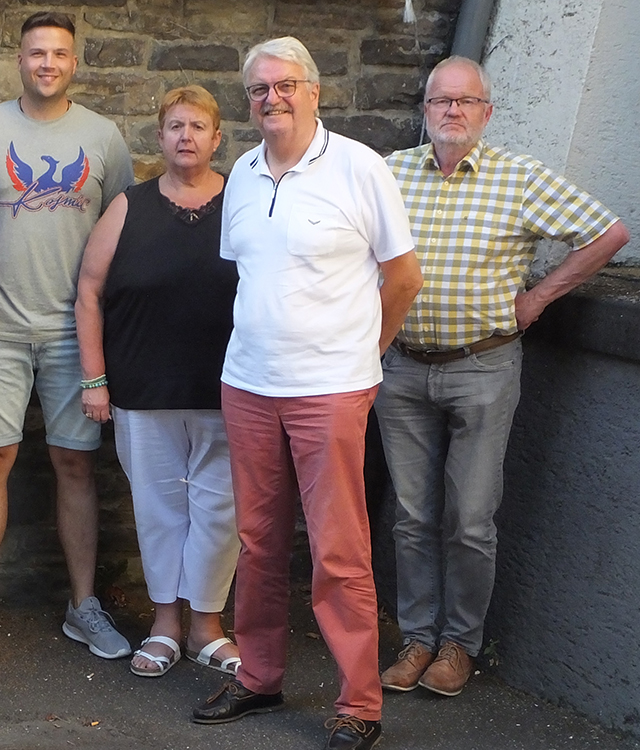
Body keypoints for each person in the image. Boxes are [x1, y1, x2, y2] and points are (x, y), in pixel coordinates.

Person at [189, 37, 422, 750]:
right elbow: (252, 278)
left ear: (314, 91)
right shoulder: (245, 176)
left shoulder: (359, 168)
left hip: (330, 390)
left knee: (338, 550)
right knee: (258, 543)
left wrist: (363, 357)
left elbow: (403, 278)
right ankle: (259, 677)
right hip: (250, 384)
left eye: (285, 85)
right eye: (258, 89)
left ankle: (360, 703)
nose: (272, 99)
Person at [377, 56, 630, 698]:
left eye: (466, 101)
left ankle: (459, 643)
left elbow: (608, 232)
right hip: (401, 365)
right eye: (441, 101)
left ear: (487, 113)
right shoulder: (387, 174)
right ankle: (416, 637)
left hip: (482, 367)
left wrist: (540, 297)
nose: (453, 111)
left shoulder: (519, 177)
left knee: (469, 516)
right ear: (425, 110)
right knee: (410, 513)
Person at [0, 10, 134, 662]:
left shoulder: (103, 139)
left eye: (58, 53)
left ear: (73, 61)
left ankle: (84, 606)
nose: (47, 63)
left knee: (75, 465)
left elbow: (125, 237)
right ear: (20, 60)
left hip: (72, 335)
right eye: (35, 53)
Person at [75, 85, 240, 679]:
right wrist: (94, 379)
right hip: (143, 390)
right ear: (160, 136)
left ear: (217, 138)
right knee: (160, 510)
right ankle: (165, 623)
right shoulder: (129, 206)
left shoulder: (245, 201)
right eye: (175, 126)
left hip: (230, 391)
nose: (186, 136)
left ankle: (207, 626)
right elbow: (90, 290)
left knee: (220, 512)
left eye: (198, 126)